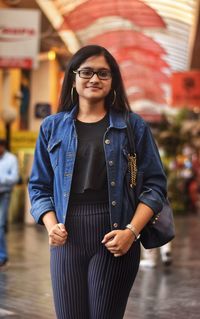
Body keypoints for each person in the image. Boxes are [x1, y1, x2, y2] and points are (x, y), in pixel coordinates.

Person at [28, 45, 167, 319]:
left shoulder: (133, 126)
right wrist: (50, 224)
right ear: (73, 78)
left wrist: (131, 232)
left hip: (115, 236)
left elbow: (155, 186)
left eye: (103, 73)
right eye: (87, 72)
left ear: (113, 80)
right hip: (66, 238)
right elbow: (39, 185)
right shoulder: (52, 127)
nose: (94, 79)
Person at [0, 139, 19, 268]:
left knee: (0, 225)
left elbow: (15, 178)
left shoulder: (11, 159)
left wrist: (1, 179)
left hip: (4, 194)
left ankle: (2, 256)